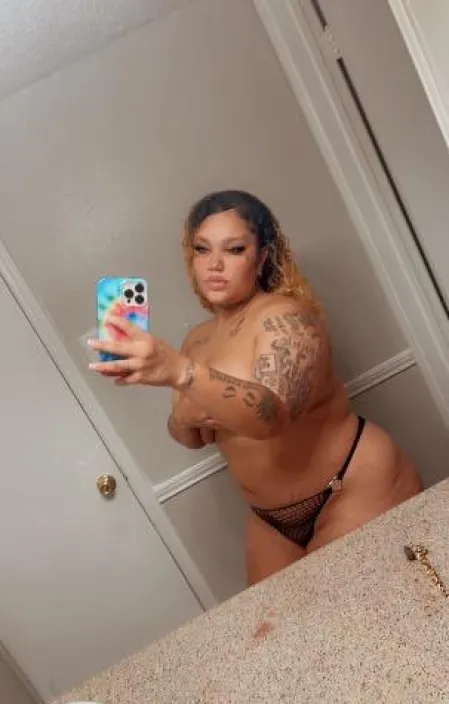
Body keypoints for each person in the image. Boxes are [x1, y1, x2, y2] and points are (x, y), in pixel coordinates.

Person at [89, 190, 422, 585]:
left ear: (261, 257)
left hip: (349, 486)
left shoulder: (287, 319)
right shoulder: (197, 340)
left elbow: (271, 416)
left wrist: (180, 372)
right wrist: (183, 415)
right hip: (270, 520)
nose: (214, 264)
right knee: (275, 622)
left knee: (379, 610)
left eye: (234, 250)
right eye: (202, 249)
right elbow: (190, 436)